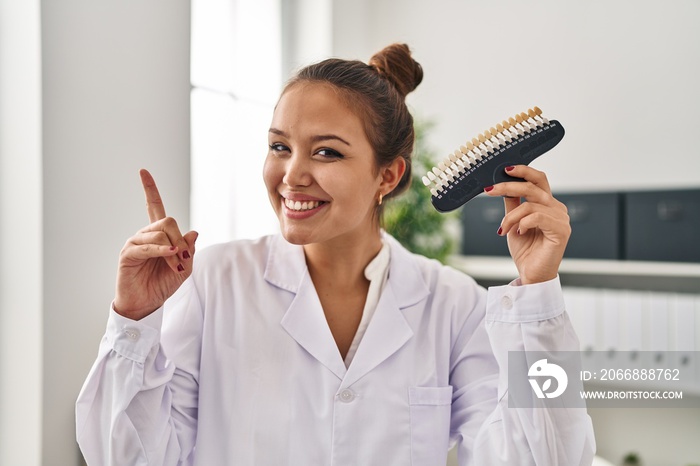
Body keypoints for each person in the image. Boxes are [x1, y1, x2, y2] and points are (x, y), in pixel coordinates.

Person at [76, 43, 596, 465]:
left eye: (327, 151)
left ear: (387, 175)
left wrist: (537, 299)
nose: (292, 175)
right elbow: (124, 458)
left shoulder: (452, 303)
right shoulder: (215, 280)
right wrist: (133, 322)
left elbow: (549, 460)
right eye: (280, 146)